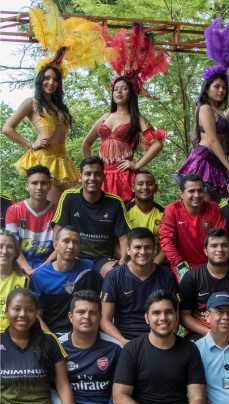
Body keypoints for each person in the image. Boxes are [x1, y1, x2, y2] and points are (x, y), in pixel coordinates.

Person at [2, 65, 78, 203]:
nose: (51, 82)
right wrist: (30, 144)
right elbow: (7, 128)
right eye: (47, 78)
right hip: (44, 159)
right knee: (51, 210)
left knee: (63, 210)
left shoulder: (60, 106)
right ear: (40, 79)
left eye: (55, 79)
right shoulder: (32, 102)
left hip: (63, 162)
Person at [82, 77, 164, 202]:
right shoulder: (105, 117)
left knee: (124, 214)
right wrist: (91, 169)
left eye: (124, 89)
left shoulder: (137, 119)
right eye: (116, 89)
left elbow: (157, 144)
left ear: (131, 93)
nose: (119, 92)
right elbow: (86, 144)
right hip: (102, 175)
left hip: (124, 175)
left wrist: (136, 165)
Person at [52, 156, 130, 276]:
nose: (92, 178)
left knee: (114, 273)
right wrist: (59, 255)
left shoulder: (115, 202)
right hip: (74, 255)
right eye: (88, 174)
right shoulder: (69, 197)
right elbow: (58, 230)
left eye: (97, 174)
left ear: (103, 177)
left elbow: (123, 236)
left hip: (103, 259)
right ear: (80, 176)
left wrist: (123, 260)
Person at [101, 228, 178, 345]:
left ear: (154, 250)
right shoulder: (114, 276)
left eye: (147, 247)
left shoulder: (167, 276)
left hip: (159, 337)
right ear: (128, 250)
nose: (142, 252)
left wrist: (164, 339)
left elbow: (175, 315)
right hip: (124, 339)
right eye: (137, 247)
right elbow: (104, 320)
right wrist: (123, 341)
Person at [179, 228, 229, 343]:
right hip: (201, 332)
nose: (219, 249)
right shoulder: (191, 278)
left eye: (224, 245)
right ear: (205, 250)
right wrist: (208, 333)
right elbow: (184, 315)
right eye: (214, 246)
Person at [30, 226, 102, 335]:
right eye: (66, 241)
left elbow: (99, 302)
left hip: (84, 332)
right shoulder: (39, 276)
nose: (71, 246)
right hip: (54, 334)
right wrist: (51, 338)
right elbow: (37, 315)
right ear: (55, 244)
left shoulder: (89, 268)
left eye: (75, 242)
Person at [176, 72, 229, 202]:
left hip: (217, 161)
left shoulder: (220, 112)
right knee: (203, 205)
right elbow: (212, 139)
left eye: (224, 88)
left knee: (213, 206)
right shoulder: (205, 108)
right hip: (205, 160)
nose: (221, 90)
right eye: (217, 86)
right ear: (207, 89)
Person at [160, 175, 227, 280]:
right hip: (182, 265)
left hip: (210, 264)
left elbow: (221, 237)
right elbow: (166, 240)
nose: (196, 195)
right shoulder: (172, 210)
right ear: (181, 194)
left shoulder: (213, 208)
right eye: (191, 191)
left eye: (200, 191)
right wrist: (180, 265)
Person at [5, 165, 55, 276]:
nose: (39, 187)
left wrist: (42, 268)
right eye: (34, 183)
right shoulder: (13, 210)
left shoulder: (58, 211)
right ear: (27, 186)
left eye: (44, 183)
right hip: (19, 262)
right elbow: (12, 244)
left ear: (50, 185)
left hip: (48, 264)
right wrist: (28, 269)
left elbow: (59, 246)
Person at [124, 170, 165, 263]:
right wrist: (131, 263)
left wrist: (154, 265)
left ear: (156, 188)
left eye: (149, 184)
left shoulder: (164, 214)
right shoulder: (123, 211)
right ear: (133, 188)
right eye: (140, 183)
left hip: (156, 262)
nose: (145, 187)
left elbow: (167, 244)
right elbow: (116, 242)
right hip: (129, 262)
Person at [0, 230, 28, 332]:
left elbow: (32, 314)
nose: (4, 251)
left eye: (9, 247)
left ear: (16, 252)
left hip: (13, 336)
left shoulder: (24, 280)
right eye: (1, 246)